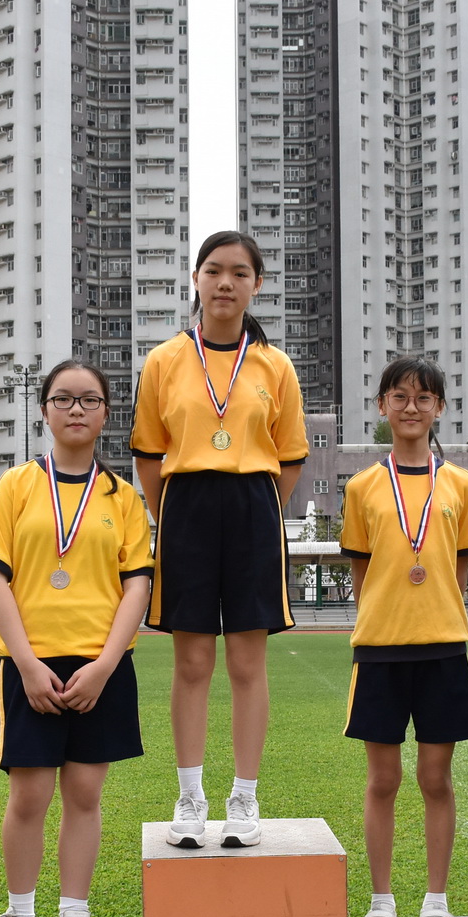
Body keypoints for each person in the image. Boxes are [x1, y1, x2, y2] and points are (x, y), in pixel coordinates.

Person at [0, 360, 153, 917]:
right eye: (63, 399)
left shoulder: (122, 498)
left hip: (100, 665)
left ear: (107, 414)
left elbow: (137, 586)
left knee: (83, 792)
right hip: (29, 663)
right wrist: (26, 662)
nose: (76, 409)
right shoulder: (17, 485)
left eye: (89, 400)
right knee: (29, 794)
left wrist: (105, 666)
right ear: (44, 410)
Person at [131, 231, 307, 848]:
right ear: (196, 280)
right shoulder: (164, 360)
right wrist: (175, 516)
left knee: (247, 663)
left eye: (238, 272)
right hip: (186, 508)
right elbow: (149, 455)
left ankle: (244, 797)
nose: (225, 282)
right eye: (213, 270)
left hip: (254, 507)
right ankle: (190, 796)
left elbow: (290, 458)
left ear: (257, 284)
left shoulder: (275, 365)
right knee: (192, 662)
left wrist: (258, 510)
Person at [338, 356, 468, 917]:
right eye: (399, 396)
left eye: (424, 398)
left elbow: (459, 569)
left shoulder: (463, 486)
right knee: (383, 780)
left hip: (443, 648)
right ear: (382, 406)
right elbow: (361, 573)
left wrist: (432, 612)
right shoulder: (361, 487)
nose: (411, 407)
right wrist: (388, 615)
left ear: (439, 409)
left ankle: (435, 906)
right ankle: (380, 907)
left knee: (435, 779)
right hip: (379, 649)